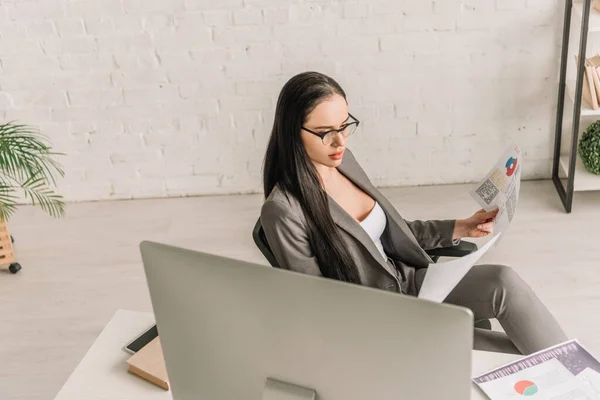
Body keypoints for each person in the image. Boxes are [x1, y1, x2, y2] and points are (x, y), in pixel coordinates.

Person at [260, 71, 567, 355]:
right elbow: (314, 302)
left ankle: (575, 375)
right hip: (380, 319)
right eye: (325, 132)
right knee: (528, 351)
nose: (340, 141)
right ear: (292, 133)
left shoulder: (344, 162)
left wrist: (462, 227)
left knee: (505, 284)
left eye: (344, 126)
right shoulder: (284, 211)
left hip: (413, 285)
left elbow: (389, 232)